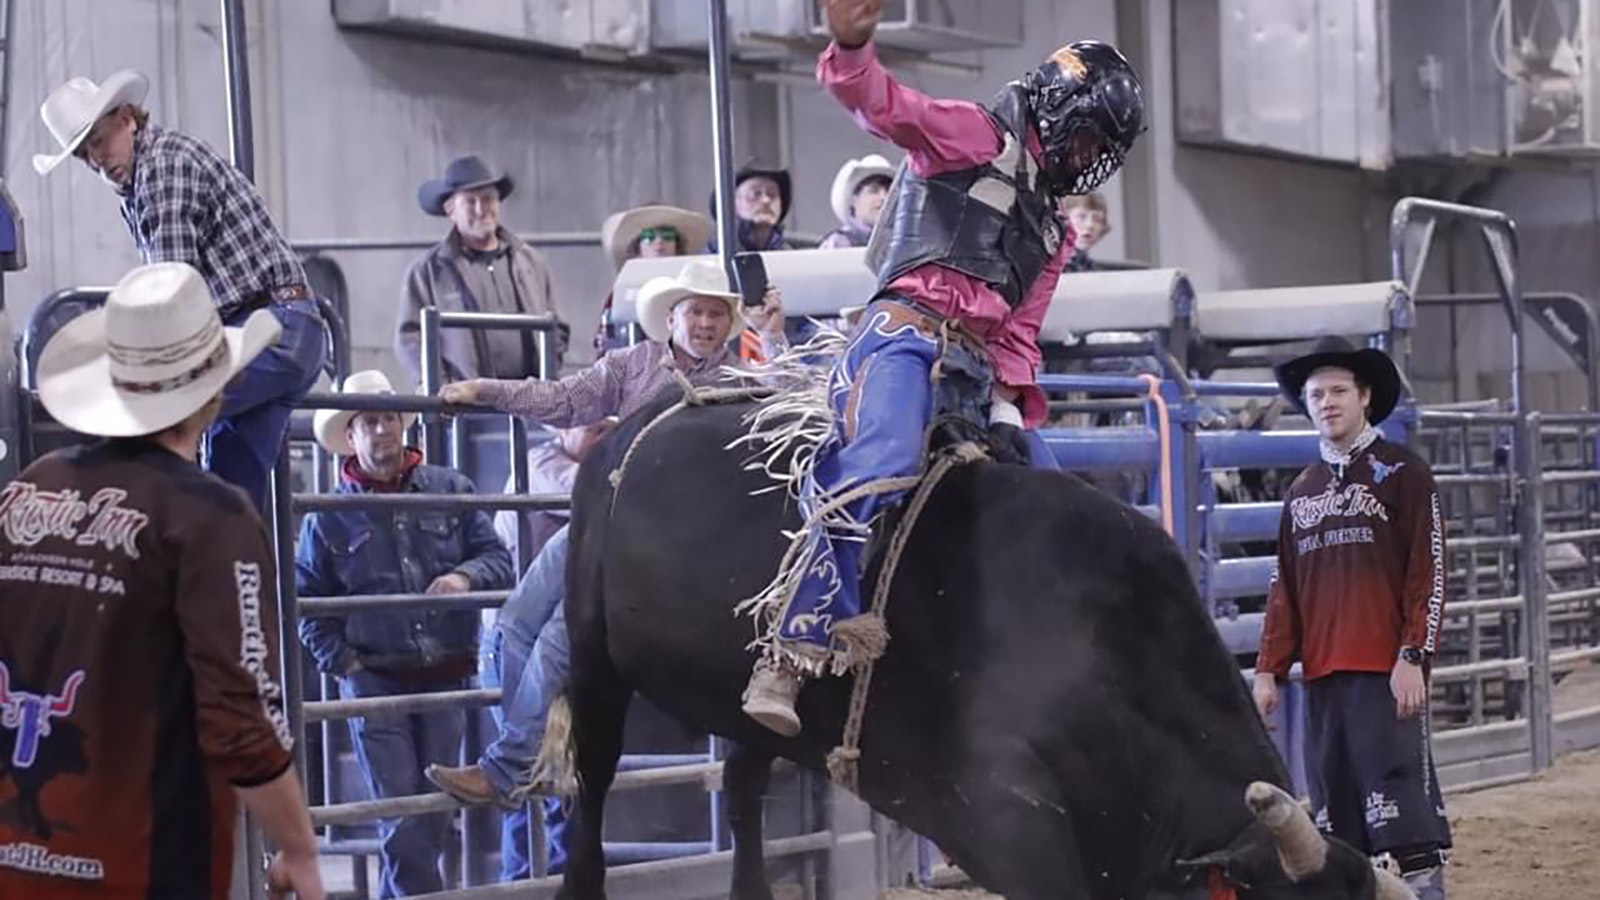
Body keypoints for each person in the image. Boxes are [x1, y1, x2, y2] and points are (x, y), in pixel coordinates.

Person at [738, 0, 1145, 736]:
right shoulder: (974, 136)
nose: (1087, 160)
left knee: (1056, 502)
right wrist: (851, 44)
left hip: (974, 371)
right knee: (882, 458)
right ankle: (788, 650)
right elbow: (887, 106)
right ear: (1057, 114)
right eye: (1086, 141)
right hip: (902, 339)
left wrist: (1005, 412)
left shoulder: (1051, 229)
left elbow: (1021, 331)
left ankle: (1054, 675)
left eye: (1097, 150)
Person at [0, 262, 323, 899]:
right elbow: (241, 713)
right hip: (140, 867)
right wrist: (299, 847)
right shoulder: (212, 516)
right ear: (212, 394)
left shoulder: (29, 489)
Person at [423, 260, 786, 809]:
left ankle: (509, 768)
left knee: (551, 641)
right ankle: (534, 752)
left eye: (716, 313)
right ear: (672, 318)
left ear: (729, 322)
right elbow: (562, 399)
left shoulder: (739, 384)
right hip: (604, 523)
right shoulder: (634, 364)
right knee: (516, 620)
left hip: (662, 544)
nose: (706, 323)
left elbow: (787, 406)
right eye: (696, 311)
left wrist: (775, 336)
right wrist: (485, 390)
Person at [33, 69, 328, 513]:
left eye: (97, 141)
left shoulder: (161, 169)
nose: (96, 160)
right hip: (280, 328)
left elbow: (170, 295)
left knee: (158, 423)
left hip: (270, 328)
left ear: (128, 118)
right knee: (230, 495)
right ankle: (237, 575)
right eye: (83, 154)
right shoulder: (148, 172)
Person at [297, 370, 515, 897]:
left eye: (389, 418)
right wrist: (345, 662)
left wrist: (465, 576)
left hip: (444, 671)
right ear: (350, 435)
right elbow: (306, 606)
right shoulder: (326, 519)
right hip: (375, 676)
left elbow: (497, 560)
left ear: (403, 425)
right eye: (369, 421)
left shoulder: (451, 488)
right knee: (401, 811)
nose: (382, 430)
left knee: (432, 810)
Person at [1253, 336, 1451, 900]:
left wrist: (1414, 654)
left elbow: (1428, 573)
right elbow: (1284, 587)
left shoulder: (1405, 474)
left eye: (1339, 390)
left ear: (1365, 397)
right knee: (1337, 823)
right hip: (1322, 680)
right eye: (1316, 394)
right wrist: (1269, 669)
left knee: (1404, 814)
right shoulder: (1302, 490)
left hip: (1386, 675)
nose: (1327, 402)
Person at [486, 418, 613, 880]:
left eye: (609, 426)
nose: (603, 435)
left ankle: (559, 880)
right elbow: (585, 485)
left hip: (547, 641)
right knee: (534, 772)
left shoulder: (580, 474)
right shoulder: (541, 466)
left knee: (564, 779)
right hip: (523, 643)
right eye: (594, 426)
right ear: (562, 429)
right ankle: (523, 883)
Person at [396, 155, 566, 385]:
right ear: (450, 209)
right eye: (470, 201)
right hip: (466, 411)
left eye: (488, 199)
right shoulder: (427, 272)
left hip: (530, 406)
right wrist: (443, 390)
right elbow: (411, 340)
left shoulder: (532, 263)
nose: (481, 209)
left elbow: (557, 327)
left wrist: (548, 380)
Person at [593, 204, 713, 355]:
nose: (659, 242)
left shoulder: (696, 287)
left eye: (667, 235)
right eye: (649, 236)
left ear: (678, 245)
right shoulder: (623, 289)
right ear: (637, 248)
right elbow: (608, 340)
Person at [707, 162, 795, 253]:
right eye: (755, 194)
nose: (766, 200)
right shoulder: (716, 255)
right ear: (732, 204)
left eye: (772, 194)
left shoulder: (789, 256)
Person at [819, 154, 896, 249]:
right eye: (874, 190)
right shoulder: (838, 243)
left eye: (889, 191)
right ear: (854, 200)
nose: (884, 198)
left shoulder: (898, 243)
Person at [1059, 192, 1111, 272]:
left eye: (1097, 219)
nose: (1089, 225)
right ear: (1064, 219)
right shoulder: (1046, 267)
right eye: (1081, 217)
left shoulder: (1093, 270)